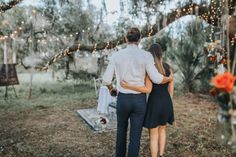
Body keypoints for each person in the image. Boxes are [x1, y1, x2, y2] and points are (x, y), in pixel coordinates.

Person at [102, 28, 173, 157]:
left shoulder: (117, 55)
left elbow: (106, 79)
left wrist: (111, 88)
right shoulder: (146, 56)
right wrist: (168, 79)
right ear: (139, 39)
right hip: (139, 101)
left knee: (121, 131)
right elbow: (156, 78)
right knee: (135, 136)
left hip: (122, 99)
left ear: (126, 39)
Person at [120, 43, 175, 157]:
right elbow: (171, 90)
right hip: (166, 103)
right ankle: (161, 154)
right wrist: (168, 104)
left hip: (154, 104)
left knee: (153, 134)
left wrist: (128, 86)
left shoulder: (150, 69)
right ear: (161, 54)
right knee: (163, 129)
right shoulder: (168, 68)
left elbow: (148, 90)